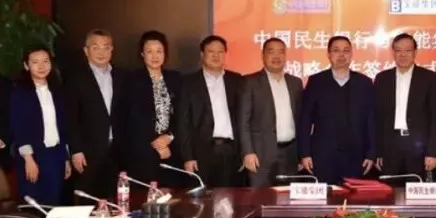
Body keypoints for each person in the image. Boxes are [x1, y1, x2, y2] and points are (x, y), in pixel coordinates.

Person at [298, 36, 376, 185]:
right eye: (336, 50)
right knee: (325, 196)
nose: (341, 55)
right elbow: (305, 120)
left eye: (346, 51)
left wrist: (371, 153)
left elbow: (371, 120)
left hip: (357, 155)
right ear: (329, 54)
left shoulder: (364, 83)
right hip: (323, 156)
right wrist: (304, 153)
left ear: (351, 54)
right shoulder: (316, 81)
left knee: (353, 197)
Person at [176, 35, 244, 187]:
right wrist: (188, 157)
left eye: (220, 52)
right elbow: (183, 123)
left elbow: (244, 119)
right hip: (201, 153)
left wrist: (243, 153)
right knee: (202, 199)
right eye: (211, 52)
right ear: (202, 55)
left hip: (231, 152)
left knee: (230, 198)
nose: (216, 56)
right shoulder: (189, 83)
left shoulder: (237, 80)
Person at [116, 31, 182, 187]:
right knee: (144, 196)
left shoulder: (176, 79)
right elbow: (130, 118)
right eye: (149, 51)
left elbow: (182, 114)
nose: (155, 56)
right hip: (142, 152)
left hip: (171, 151)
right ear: (142, 54)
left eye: (159, 51)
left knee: (171, 196)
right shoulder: (131, 80)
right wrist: (156, 145)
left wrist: (169, 137)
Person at [64, 29, 123, 199]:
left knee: (114, 201)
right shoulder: (75, 78)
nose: (101, 52)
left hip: (116, 152)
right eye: (95, 47)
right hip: (87, 153)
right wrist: (75, 150)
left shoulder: (121, 76)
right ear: (86, 50)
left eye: (106, 47)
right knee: (86, 200)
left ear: (112, 50)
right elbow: (70, 117)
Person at [374, 33, 436, 177]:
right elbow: (378, 118)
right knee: (390, 189)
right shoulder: (382, 79)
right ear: (393, 53)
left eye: (408, 50)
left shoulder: (429, 78)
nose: (403, 55)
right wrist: (378, 151)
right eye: (398, 50)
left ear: (415, 52)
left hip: (419, 149)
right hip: (390, 147)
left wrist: (433, 152)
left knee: (415, 188)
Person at [9, 45, 70, 205]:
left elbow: (62, 127)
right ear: (26, 66)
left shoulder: (57, 91)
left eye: (45, 61)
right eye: (35, 62)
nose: (41, 66)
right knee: (35, 205)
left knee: (54, 203)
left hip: (55, 155)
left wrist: (65, 158)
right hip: (33, 155)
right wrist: (29, 159)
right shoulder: (20, 93)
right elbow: (19, 127)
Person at [238, 38, 303, 186]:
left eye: (281, 52)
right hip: (260, 155)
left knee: (287, 197)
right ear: (263, 55)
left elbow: (300, 120)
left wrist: (301, 154)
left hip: (290, 154)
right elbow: (243, 121)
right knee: (260, 197)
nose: (276, 56)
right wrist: (247, 152)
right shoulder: (250, 82)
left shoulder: (295, 83)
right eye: (271, 52)